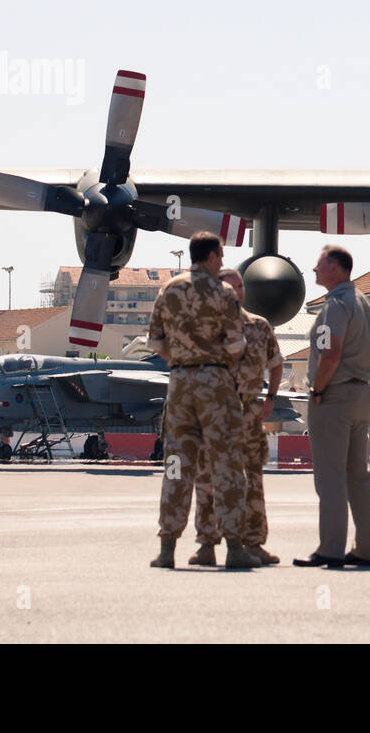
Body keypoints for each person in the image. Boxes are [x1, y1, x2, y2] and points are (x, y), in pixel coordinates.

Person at [147, 231, 258, 570]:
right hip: (215, 383)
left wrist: (180, 359)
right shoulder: (223, 292)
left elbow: (154, 342)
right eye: (221, 256)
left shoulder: (168, 290)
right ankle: (235, 547)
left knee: (176, 464)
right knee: (225, 463)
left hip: (179, 383)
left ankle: (167, 548)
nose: (222, 262)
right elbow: (237, 345)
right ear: (210, 257)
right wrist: (217, 363)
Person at [189, 267, 286, 566]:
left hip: (248, 413)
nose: (238, 293)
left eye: (240, 287)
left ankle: (253, 543)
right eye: (231, 288)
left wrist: (270, 397)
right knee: (207, 479)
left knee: (252, 479)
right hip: (213, 413)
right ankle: (207, 544)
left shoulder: (259, 326)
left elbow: (276, 362)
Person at [293, 246, 370, 568]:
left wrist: (318, 388)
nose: (314, 271)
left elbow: (331, 354)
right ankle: (367, 548)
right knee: (358, 476)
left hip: (335, 397)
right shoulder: (364, 302)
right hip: (360, 395)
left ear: (335, 268)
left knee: (330, 477)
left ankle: (330, 548)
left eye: (318, 266)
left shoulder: (336, 306)